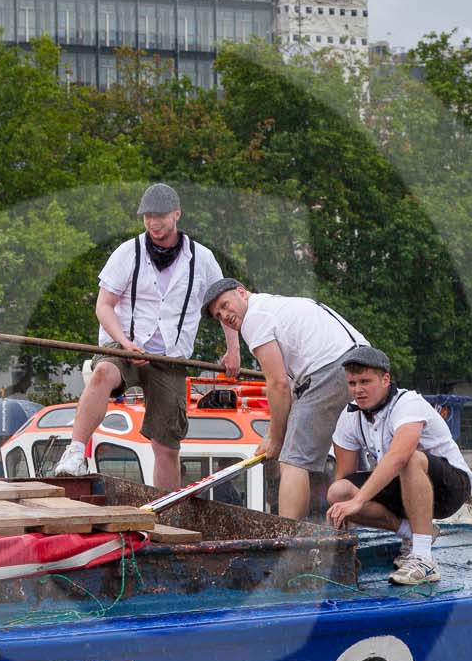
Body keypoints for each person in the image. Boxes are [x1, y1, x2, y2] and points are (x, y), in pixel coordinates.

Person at [51, 183, 240, 491]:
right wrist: (125, 344)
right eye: (148, 216)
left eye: (160, 216)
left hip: (170, 357)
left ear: (176, 214)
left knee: (167, 445)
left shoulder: (202, 259)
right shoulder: (128, 252)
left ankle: (165, 507)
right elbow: (104, 305)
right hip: (124, 345)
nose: (153, 223)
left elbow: (226, 304)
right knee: (102, 372)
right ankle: (74, 454)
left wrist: (233, 351)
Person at [202, 278, 369, 521]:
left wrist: (276, 439)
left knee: (292, 461)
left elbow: (278, 384)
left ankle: (288, 541)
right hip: (362, 360)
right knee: (349, 450)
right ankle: (350, 527)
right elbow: (290, 387)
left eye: (225, 306)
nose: (224, 316)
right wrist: (272, 434)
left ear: (242, 293)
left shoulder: (254, 319)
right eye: (218, 315)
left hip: (330, 368)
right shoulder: (276, 306)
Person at [324, 345, 472, 587]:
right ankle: (411, 534)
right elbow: (345, 475)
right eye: (352, 383)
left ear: (385, 380)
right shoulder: (350, 416)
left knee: (409, 458)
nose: (358, 390)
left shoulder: (408, 403)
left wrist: (359, 501)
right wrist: (341, 522)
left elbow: (398, 456)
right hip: (404, 487)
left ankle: (424, 559)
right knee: (337, 492)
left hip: (449, 489)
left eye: (365, 381)